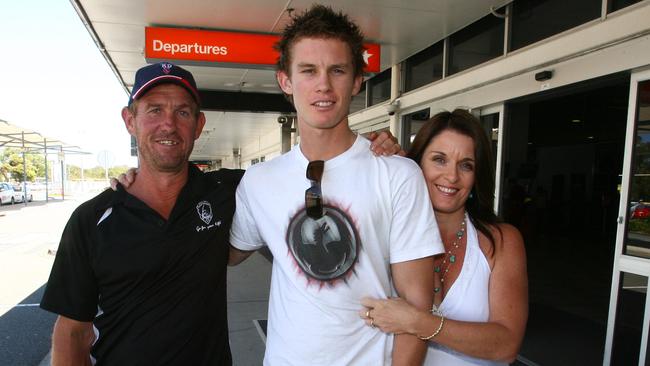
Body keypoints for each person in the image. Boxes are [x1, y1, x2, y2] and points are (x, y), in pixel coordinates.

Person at [42, 59, 401, 365]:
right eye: (154, 110)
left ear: (199, 125)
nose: (168, 124)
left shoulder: (230, 190)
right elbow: (72, 332)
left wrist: (366, 142)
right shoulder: (92, 219)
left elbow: (300, 168)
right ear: (130, 121)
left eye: (182, 112)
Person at [227, 5, 443, 366]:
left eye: (337, 70)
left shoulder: (397, 174)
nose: (323, 85)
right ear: (286, 81)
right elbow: (220, 252)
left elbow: (416, 309)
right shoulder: (258, 182)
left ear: (357, 80)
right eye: (308, 71)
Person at [360, 109, 528, 365]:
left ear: (476, 176)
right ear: (416, 164)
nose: (452, 176)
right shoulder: (382, 234)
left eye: (466, 165)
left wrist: (415, 321)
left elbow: (506, 345)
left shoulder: (501, 241)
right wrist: (367, 151)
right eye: (439, 159)